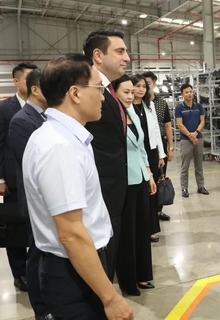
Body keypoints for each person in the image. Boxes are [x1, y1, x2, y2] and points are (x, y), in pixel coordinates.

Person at [22, 54, 133, 319]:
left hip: (81, 265)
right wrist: (110, 298)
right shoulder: (59, 146)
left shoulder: (66, 138)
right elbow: (70, 234)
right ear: (75, 93)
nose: (103, 97)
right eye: (98, 89)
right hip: (71, 273)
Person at [83, 28, 131, 281]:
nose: (127, 57)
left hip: (113, 191)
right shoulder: (87, 90)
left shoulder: (108, 91)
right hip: (98, 192)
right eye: (120, 51)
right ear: (98, 55)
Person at [8, 68, 51, 319]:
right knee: (36, 255)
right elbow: (34, 164)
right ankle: (41, 309)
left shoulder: (46, 117)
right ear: (35, 90)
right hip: (36, 201)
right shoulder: (22, 121)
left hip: (48, 201)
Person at [112, 75, 156, 296]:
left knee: (142, 229)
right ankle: (128, 281)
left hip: (140, 178)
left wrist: (149, 173)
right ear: (114, 93)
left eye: (133, 92)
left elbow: (141, 148)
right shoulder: (112, 118)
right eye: (125, 92)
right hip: (124, 183)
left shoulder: (133, 114)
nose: (130, 96)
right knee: (127, 233)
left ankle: (143, 274)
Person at [0, 62, 37, 293]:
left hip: (36, 179)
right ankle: (19, 273)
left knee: (34, 226)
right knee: (14, 228)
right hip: (12, 179)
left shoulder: (43, 107)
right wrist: (0, 179)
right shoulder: (3, 109)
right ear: (16, 82)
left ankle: (34, 268)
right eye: (27, 79)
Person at [131, 74, 165, 242]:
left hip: (151, 151)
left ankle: (151, 229)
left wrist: (161, 154)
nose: (141, 89)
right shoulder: (127, 107)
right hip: (136, 152)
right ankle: (139, 227)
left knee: (152, 191)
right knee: (141, 191)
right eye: (137, 86)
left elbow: (156, 131)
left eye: (143, 86)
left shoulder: (149, 105)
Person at [143, 71, 174, 221]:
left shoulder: (161, 103)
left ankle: (158, 210)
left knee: (160, 177)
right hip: (144, 145)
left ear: (154, 85)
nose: (144, 87)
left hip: (160, 144)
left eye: (147, 84)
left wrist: (170, 147)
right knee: (148, 179)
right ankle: (149, 212)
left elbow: (168, 126)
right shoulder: (138, 103)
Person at [175, 84, 209, 198]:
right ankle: (184, 188)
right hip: (186, 140)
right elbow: (180, 124)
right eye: (186, 92)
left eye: (191, 91)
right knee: (185, 166)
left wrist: (196, 133)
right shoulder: (179, 108)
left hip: (198, 138)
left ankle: (201, 186)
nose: (189, 94)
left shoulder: (199, 107)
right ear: (182, 94)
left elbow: (202, 121)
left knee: (199, 165)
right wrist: (190, 135)